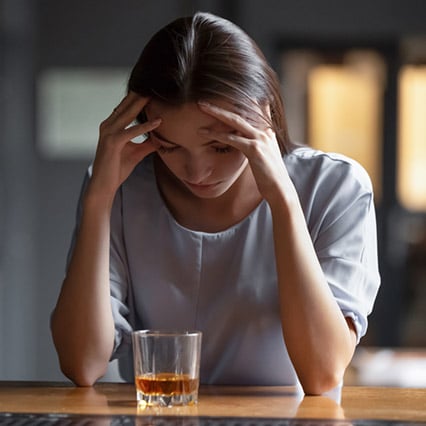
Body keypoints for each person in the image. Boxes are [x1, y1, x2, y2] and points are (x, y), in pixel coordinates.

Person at [51, 11, 380, 395]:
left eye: (222, 146)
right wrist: (98, 199)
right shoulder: (121, 189)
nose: (196, 172)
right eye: (169, 146)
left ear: (264, 116)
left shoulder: (335, 186)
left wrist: (283, 200)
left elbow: (322, 374)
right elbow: (82, 364)